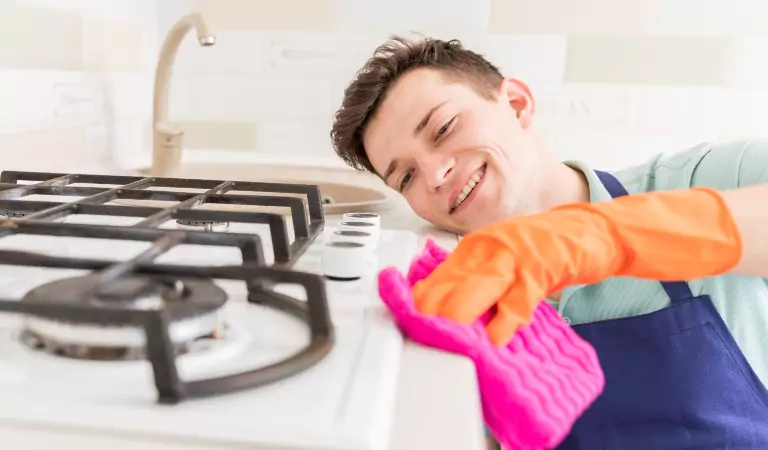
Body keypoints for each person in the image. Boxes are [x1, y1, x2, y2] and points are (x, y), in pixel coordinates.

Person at [329, 35, 768, 449]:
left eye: (444, 128)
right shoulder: (458, 304)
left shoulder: (706, 179)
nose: (436, 174)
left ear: (517, 105)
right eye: (406, 176)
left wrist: (599, 234)